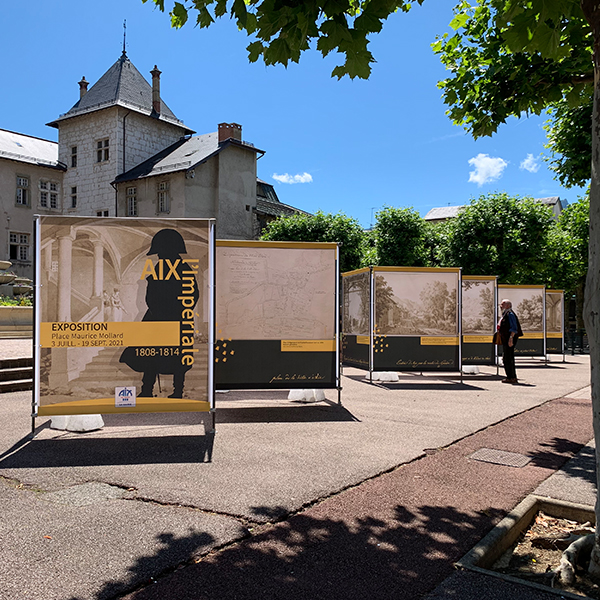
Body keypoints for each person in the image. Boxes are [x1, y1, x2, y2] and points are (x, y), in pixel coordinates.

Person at [120, 229, 199, 398]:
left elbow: (152, 297)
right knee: (172, 356)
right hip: (178, 319)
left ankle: (148, 390)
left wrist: (162, 311)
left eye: (160, 253)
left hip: (159, 318)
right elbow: (193, 296)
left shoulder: (160, 268)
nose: (159, 257)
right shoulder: (185, 269)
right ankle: (175, 391)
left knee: (152, 355)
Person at [497, 299, 523, 384]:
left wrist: (511, 338)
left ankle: (511, 377)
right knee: (507, 357)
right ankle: (510, 376)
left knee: (508, 358)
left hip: (509, 339)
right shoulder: (505, 314)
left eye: (502, 304)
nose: (501, 306)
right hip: (506, 339)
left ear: (507, 305)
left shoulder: (510, 314)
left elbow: (514, 328)